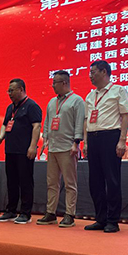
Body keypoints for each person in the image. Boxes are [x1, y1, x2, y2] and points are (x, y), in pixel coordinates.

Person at [83, 60, 128, 233]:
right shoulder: (90, 96)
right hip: (93, 138)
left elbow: (125, 116)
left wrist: (122, 140)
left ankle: (112, 220)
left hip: (110, 137)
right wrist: (85, 142)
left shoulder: (118, 90)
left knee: (112, 180)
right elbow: (87, 120)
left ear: (104, 72)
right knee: (95, 181)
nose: (90, 76)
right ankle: (100, 218)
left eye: (93, 72)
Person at [38, 70, 85, 228]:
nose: (52, 86)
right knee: (52, 182)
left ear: (64, 83)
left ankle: (69, 214)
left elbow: (79, 123)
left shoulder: (77, 101)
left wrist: (76, 143)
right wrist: (45, 139)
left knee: (70, 183)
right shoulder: (52, 102)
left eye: (55, 83)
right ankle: (50, 213)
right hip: (53, 147)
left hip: (68, 147)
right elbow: (47, 122)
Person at [0, 78, 42, 224]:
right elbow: (5, 124)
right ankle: (11, 210)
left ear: (21, 89)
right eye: (8, 90)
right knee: (11, 181)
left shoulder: (32, 106)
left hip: (24, 150)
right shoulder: (10, 108)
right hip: (11, 149)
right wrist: (0, 137)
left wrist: (33, 146)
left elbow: (36, 126)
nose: (9, 93)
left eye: (12, 90)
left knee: (25, 182)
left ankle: (26, 213)